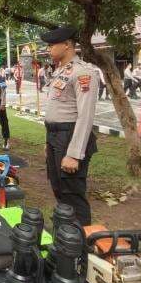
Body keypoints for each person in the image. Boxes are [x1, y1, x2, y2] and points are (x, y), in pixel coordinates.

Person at [41, 27, 98, 226]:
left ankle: (81, 244)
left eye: (51, 45)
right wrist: (49, 143)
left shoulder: (84, 72)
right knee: (58, 188)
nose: (48, 49)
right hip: (56, 136)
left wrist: (74, 153)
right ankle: (67, 237)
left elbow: (85, 116)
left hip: (70, 136)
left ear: (66, 45)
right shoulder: (62, 71)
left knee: (72, 192)